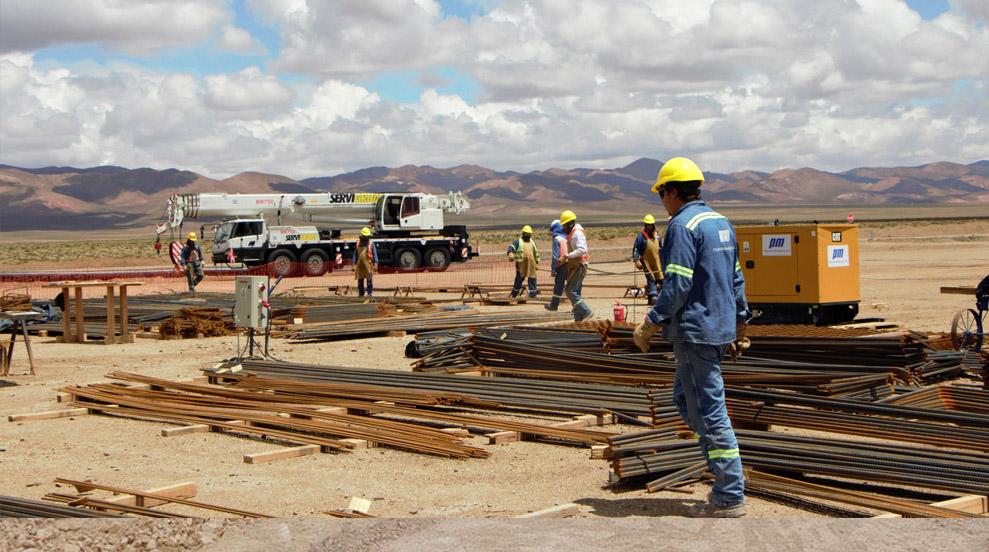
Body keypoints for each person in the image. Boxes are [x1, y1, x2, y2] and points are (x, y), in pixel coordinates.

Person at [632, 157, 751, 518]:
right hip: (719, 326)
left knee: (710, 411)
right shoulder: (720, 222)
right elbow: (736, 279)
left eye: (662, 194)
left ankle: (729, 493)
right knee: (686, 400)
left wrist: (651, 322)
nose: (662, 201)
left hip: (696, 331)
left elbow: (678, 284)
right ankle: (720, 468)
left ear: (671, 191)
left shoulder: (683, 226)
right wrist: (741, 321)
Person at [559, 210, 592, 321]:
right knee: (576, 292)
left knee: (570, 290)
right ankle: (578, 318)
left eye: (564, 225)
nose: (563, 228)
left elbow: (582, 249)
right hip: (576, 265)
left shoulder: (577, 234)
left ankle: (586, 311)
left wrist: (567, 256)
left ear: (570, 224)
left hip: (580, 265)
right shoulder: (573, 234)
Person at [632, 214, 663, 305]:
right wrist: (637, 260)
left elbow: (661, 248)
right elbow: (636, 250)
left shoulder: (657, 236)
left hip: (658, 262)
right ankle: (653, 296)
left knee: (660, 279)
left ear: (653, 225)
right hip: (647, 263)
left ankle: (656, 298)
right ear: (645, 225)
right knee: (651, 279)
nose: (649, 227)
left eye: (651, 225)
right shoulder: (641, 237)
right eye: (647, 225)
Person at [506, 225, 539, 299]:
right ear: (523, 233)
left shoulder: (532, 243)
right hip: (521, 265)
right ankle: (514, 294)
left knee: (532, 279)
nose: (527, 235)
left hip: (531, 265)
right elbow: (511, 247)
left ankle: (533, 295)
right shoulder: (518, 242)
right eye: (526, 234)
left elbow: (535, 253)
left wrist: (536, 263)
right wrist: (510, 253)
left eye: (529, 234)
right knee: (519, 279)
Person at [544, 219, 569, 311]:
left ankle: (554, 305)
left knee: (558, 285)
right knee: (572, 286)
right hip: (571, 264)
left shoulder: (556, 239)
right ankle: (578, 307)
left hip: (561, 265)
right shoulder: (568, 237)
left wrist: (553, 269)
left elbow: (555, 257)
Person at [353, 227, 378, 298]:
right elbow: (355, 255)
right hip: (359, 266)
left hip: (368, 266)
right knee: (360, 281)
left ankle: (369, 293)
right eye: (365, 236)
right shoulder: (358, 244)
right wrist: (353, 265)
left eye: (368, 236)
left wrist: (376, 263)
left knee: (369, 280)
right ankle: (361, 294)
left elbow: (375, 254)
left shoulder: (371, 244)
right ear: (362, 236)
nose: (367, 238)